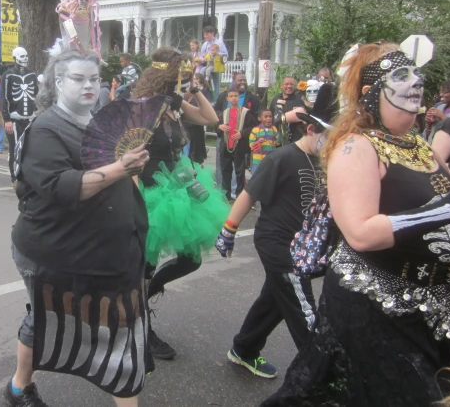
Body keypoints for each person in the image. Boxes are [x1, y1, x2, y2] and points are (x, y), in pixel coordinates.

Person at [263, 44, 450, 406]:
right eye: (401, 76)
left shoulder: (418, 144)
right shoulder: (355, 146)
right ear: (370, 92)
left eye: (416, 73)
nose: (416, 83)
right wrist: (441, 211)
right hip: (375, 312)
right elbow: (360, 231)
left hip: (435, 308)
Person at [6, 47, 152, 407]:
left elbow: (117, 180)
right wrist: (121, 168)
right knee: (46, 319)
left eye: (94, 79)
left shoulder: (101, 122)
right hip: (53, 252)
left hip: (108, 253)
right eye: (78, 78)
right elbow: (63, 185)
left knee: (119, 326)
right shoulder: (45, 129)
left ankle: (19, 386)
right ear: (57, 82)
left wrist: (132, 174)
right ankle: (18, 387)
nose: (89, 85)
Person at [216, 84, 335, 380]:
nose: (332, 143)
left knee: (276, 299)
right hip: (277, 242)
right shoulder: (282, 158)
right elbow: (249, 193)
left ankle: (244, 349)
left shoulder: (327, 163)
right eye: (328, 137)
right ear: (310, 130)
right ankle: (324, 377)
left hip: (304, 246)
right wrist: (228, 231)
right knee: (301, 304)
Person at [132, 47, 228, 360]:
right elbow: (129, 157)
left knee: (192, 259)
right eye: (178, 76)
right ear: (164, 76)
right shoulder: (142, 109)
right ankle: (143, 331)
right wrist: (133, 201)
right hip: (150, 191)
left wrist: (196, 89)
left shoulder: (173, 103)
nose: (180, 81)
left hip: (180, 187)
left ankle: (151, 291)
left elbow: (211, 119)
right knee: (142, 267)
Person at [2, 47, 39, 183]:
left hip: (30, 117)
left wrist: (38, 112)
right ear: (15, 58)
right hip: (15, 119)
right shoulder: (8, 75)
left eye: (26, 56)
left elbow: (36, 95)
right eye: (22, 56)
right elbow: (4, 97)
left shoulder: (32, 75)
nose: (25, 59)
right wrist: (7, 118)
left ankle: (28, 175)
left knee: (30, 148)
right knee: (15, 148)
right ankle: (15, 177)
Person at [218, 88, 257, 201]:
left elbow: (253, 127)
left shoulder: (245, 112)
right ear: (227, 98)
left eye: (236, 96)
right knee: (226, 171)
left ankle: (240, 196)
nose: (234, 98)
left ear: (239, 98)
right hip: (226, 146)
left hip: (239, 147)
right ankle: (226, 196)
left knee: (240, 172)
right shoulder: (224, 113)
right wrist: (220, 127)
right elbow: (219, 129)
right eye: (231, 96)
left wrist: (242, 133)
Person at [269, 76, 306, 144]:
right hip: (276, 139)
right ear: (281, 85)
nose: (289, 86)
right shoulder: (276, 99)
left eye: (291, 84)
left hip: (294, 140)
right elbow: (270, 116)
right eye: (286, 84)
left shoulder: (298, 101)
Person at [249, 109, 282, 175]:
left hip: (270, 160)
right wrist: (258, 142)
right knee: (256, 178)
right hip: (257, 161)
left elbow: (278, 143)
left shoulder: (274, 129)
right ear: (259, 118)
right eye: (266, 117)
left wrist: (280, 136)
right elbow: (251, 144)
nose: (268, 119)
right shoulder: (255, 130)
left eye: (270, 116)